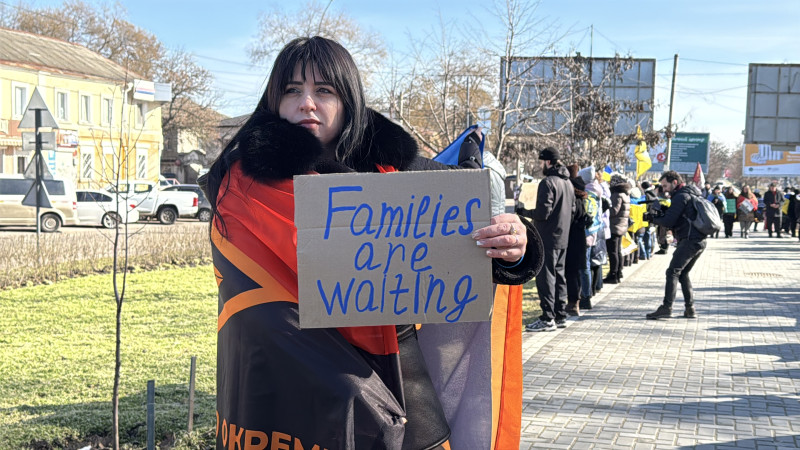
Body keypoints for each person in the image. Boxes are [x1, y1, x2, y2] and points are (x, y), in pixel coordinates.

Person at [201, 36, 541, 450]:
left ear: (348, 100)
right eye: (292, 90)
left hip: (404, 387)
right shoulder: (241, 187)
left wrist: (516, 245)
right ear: (274, 100)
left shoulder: (399, 171)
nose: (306, 103)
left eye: (324, 90)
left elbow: (475, 232)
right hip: (295, 394)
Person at [644, 171, 707, 320]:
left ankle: (667, 307)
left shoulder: (680, 196)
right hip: (699, 240)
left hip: (690, 240)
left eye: (665, 185)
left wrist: (653, 218)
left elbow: (668, 221)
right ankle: (690, 309)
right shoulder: (690, 193)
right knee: (682, 273)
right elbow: (679, 216)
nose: (664, 189)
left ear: (674, 182)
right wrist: (665, 211)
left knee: (672, 272)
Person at [525, 147, 575, 332]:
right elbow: (573, 210)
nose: (540, 166)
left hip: (547, 237)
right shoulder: (568, 183)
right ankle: (560, 315)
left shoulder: (548, 183)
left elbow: (542, 213)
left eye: (541, 162)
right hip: (563, 236)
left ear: (548, 162)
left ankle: (547, 318)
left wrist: (524, 211)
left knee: (545, 277)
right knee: (559, 276)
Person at [565, 164, 590, 316]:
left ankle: (573, 303)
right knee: (575, 272)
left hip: (571, 236)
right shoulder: (581, 192)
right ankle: (576, 302)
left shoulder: (572, 193)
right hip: (579, 236)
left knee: (571, 272)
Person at [603, 174, 631, 284]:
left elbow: (614, 211)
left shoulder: (617, 194)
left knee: (613, 252)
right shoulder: (624, 193)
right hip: (621, 226)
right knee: (618, 251)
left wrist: (605, 208)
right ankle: (618, 272)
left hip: (614, 226)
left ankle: (613, 275)